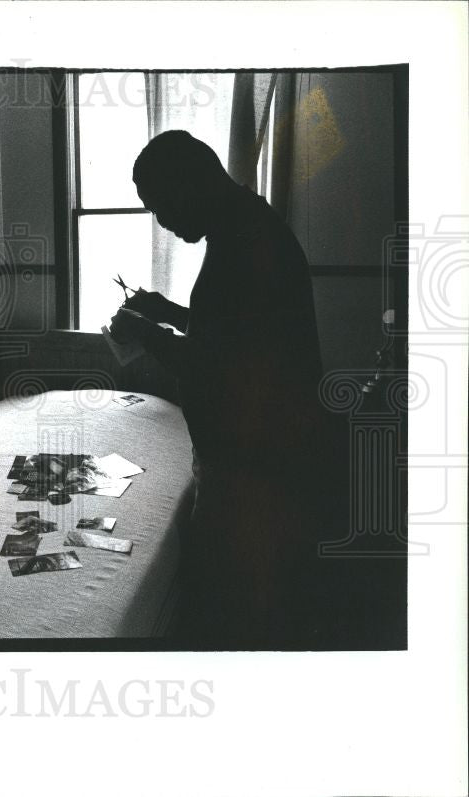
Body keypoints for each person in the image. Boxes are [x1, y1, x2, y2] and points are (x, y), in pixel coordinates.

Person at [110, 130, 338, 649]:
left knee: (237, 616)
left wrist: (149, 334)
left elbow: (220, 365)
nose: (162, 223)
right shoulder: (248, 230)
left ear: (190, 183)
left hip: (253, 472)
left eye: (162, 206)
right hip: (260, 460)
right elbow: (234, 330)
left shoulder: (245, 245)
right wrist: (165, 310)